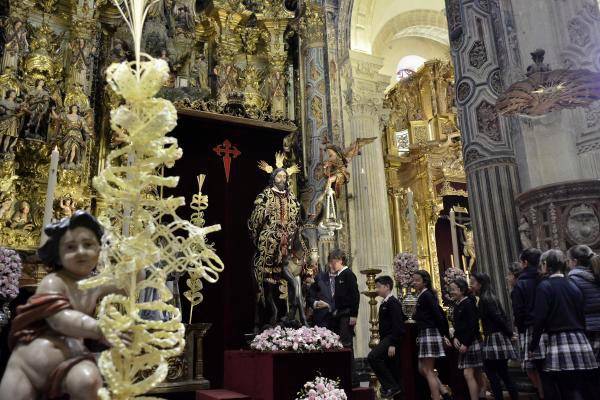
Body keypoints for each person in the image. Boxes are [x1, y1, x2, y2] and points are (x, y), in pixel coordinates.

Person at [0, 211, 128, 400]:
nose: (81, 252)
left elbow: (126, 283)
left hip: (72, 359)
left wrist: (137, 262)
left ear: (100, 249)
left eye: (88, 245)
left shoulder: (94, 284)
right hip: (28, 367)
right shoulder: (53, 282)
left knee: (89, 380)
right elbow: (61, 318)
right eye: (70, 247)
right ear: (58, 254)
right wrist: (101, 330)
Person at [529, 249, 598, 399]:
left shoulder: (544, 287)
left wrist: (533, 346)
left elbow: (539, 319)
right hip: (580, 339)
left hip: (559, 340)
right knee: (585, 387)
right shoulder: (573, 285)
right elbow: (581, 314)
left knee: (567, 389)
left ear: (546, 264)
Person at [471, 272, 519, 400]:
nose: (471, 286)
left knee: (493, 374)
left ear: (480, 284)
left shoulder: (486, 299)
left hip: (494, 337)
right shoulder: (489, 297)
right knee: (503, 373)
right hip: (495, 337)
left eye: (473, 283)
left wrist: (510, 333)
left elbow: (498, 318)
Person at [413, 270, 452, 400]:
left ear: (425, 282)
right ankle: (444, 392)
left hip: (430, 332)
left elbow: (438, 315)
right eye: (414, 280)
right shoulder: (423, 295)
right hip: (425, 332)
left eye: (417, 280)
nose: (414, 283)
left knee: (428, 370)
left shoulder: (427, 295)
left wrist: (443, 334)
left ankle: (436, 397)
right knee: (421, 368)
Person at [512, 248, 545, 398]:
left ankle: (541, 393)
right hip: (546, 326)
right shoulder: (544, 279)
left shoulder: (521, 283)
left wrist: (519, 327)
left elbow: (518, 310)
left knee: (532, 367)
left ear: (524, 263)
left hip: (529, 327)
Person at [368, 275, 406, 398]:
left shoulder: (393, 303)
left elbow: (398, 325)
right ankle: (392, 387)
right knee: (392, 369)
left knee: (373, 356)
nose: (377, 290)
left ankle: (390, 386)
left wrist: (393, 344)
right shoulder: (385, 302)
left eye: (379, 287)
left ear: (387, 287)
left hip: (391, 338)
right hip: (386, 339)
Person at [568, 246, 600, 374]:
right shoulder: (596, 275)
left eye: (568, 261)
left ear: (574, 262)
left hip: (588, 328)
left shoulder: (573, 280)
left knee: (593, 368)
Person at [449, 278, 482, 400]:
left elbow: (473, 325)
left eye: (453, 289)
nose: (450, 292)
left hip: (471, 342)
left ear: (462, 290)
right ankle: (481, 395)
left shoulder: (468, 303)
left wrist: (466, 343)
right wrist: (455, 338)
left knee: (468, 374)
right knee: (477, 373)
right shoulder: (458, 304)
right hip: (463, 342)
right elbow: (458, 326)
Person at [328, 249, 359, 349]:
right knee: (341, 344)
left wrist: (354, 315)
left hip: (347, 314)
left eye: (333, 262)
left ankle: (349, 365)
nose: (332, 265)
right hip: (340, 314)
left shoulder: (348, 274)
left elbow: (355, 295)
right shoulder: (339, 275)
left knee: (346, 344)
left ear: (340, 260)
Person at [307, 261, 336, 328]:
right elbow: (310, 297)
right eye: (331, 262)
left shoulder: (346, 279)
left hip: (339, 324)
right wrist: (316, 303)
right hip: (320, 324)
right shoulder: (319, 277)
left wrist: (330, 306)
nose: (332, 266)